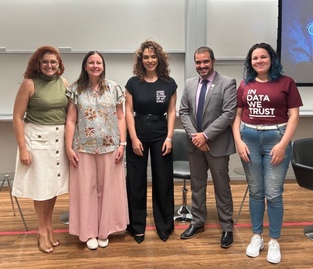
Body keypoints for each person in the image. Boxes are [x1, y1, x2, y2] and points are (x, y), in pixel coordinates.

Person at [232, 42, 303, 264]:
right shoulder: (245, 84)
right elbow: (236, 116)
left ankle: (274, 240)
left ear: (271, 59)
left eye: (263, 57)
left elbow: (294, 116)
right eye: (254, 58)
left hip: (276, 139)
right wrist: (238, 142)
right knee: (255, 192)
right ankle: (256, 237)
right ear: (250, 62)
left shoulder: (286, 83)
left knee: (273, 193)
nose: (259, 61)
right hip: (249, 139)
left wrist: (283, 144)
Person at [65, 51, 128, 250]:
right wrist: (68, 147)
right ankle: (88, 232)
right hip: (83, 147)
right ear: (85, 66)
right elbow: (71, 119)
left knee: (108, 189)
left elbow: (120, 117)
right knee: (86, 189)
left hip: (110, 147)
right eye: (91, 62)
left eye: (98, 62)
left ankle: (104, 231)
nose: (95, 66)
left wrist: (122, 144)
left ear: (103, 65)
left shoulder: (114, 88)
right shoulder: (75, 89)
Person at [12, 45, 69, 253]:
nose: (49, 65)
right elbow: (17, 118)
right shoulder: (29, 84)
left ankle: (49, 226)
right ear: (38, 63)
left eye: (53, 62)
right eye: (45, 62)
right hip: (36, 140)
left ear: (59, 64)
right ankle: (41, 230)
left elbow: (70, 113)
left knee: (53, 186)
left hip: (59, 140)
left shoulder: (63, 83)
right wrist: (23, 149)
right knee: (41, 187)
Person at [178, 46, 237, 249]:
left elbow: (229, 114)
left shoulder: (227, 83)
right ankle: (197, 222)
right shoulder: (189, 84)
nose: (202, 66)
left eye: (205, 62)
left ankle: (227, 227)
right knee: (197, 186)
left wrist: (206, 136)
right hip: (195, 145)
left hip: (217, 146)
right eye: (198, 62)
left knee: (222, 187)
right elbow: (183, 111)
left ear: (213, 61)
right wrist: (196, 136)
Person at [125, 40, 177, 243]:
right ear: (141, 60)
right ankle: (136, 226)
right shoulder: (132, 83)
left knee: (163, 180)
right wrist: (134, 138)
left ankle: (164, 225)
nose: (150, 60)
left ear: (159, 58)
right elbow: (128, 111)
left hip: (161, 134)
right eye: (146, 57)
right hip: (138, 132)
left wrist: (170, 137)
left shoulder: (168, 83)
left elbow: (172, 111)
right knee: (135, 182)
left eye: (153, 56)